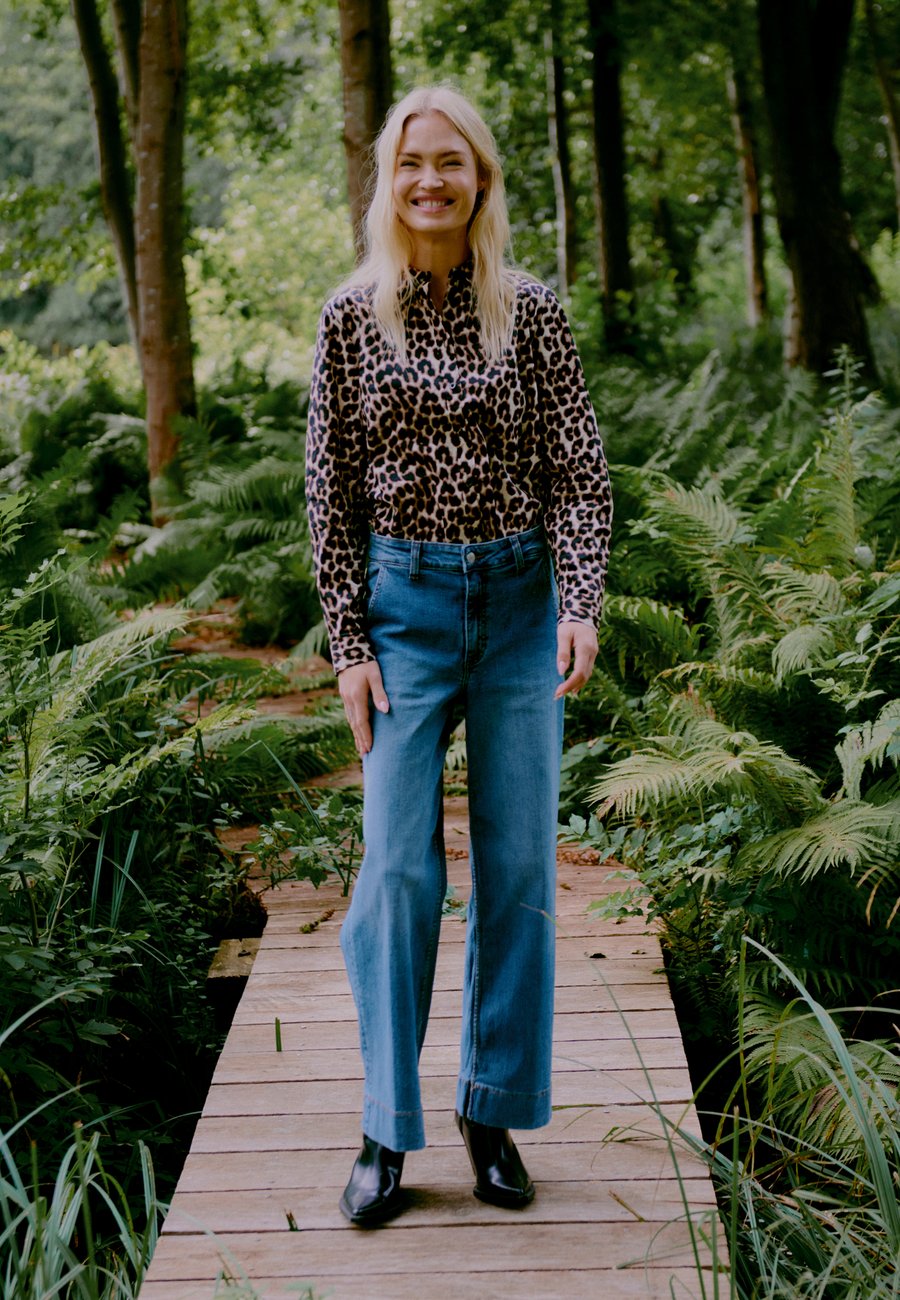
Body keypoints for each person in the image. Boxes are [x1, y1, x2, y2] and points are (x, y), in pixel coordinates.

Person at [305, 84, 612, 1227]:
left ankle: (493, 1110)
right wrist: (348, 643)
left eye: (450, 161)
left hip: (524, 608)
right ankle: (387, 1126)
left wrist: (580, 600)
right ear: (387, 181)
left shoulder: (530, 313)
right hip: (405, 612)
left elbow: (580, 469)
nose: (430, 180)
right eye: (411, 162)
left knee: (519, 868)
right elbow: (328, 490)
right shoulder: (351, 318)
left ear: (481, 177)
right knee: (396, 870)